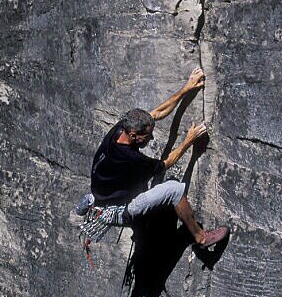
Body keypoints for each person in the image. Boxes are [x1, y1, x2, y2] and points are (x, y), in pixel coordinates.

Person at [86, 68, 228, 247]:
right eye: (147, 136)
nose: (151, 138)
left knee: (141, 183)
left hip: (106, 195)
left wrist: (187, 88)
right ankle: (202, 238)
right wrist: (188, 141)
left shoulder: (120, 128)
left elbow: (157, 113)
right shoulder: (130, 157)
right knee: (175, 189)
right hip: (122, 210)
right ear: (133, 134)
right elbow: (166, 163)